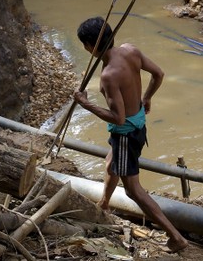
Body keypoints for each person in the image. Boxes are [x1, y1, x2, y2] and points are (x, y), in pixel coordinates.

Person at [73, 17, 188, 254]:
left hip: (125, 134)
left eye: (85, 45)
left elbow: (118, 119)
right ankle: (104, 204)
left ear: (91, 46)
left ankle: (175, 236)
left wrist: (85, 104)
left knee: (132, 190)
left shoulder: (109, 75)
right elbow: (159, 74)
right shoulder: (130, 50)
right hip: (138, 125)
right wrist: (146, 98)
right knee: (110, 162)